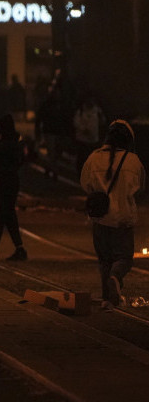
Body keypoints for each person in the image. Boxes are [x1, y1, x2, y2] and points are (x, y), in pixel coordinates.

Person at [80, 120, 146, 309]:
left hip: (100, 217)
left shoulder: (93, 157)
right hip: (122, 218)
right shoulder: (133, 161)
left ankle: (107, 299)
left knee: (104, 260)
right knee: (123, 258)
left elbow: (85, 184)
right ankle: (115, 278)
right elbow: (141, 188)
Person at [0, 114, 27, 261]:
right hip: (13, 180)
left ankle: (3, 248)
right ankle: (3, 247)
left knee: (3, 214)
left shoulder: (2, 144)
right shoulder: (17, 142)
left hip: (4, 180)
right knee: (5, 214)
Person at [72, 96, 106, 173]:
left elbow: (102, 122)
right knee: (81, 157)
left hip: (93, 139)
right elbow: (76, 122)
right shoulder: (81, 110)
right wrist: (83, 129)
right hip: (82, 138)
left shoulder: (97, 111)